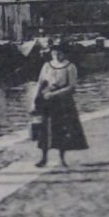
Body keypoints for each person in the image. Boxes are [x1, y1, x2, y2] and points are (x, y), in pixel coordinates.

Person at [34, 40, 88, 168]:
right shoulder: (47, 66)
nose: (57, 56)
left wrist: (54, 94)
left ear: (64, 54)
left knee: (62, 130)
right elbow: (40, 83)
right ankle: (44, 158)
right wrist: (36, 99)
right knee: (45, 130)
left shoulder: (70, 67)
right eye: (54, 53)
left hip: (63, 102)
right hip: (47, 101)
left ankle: (62, 159)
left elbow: (72, 87)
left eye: (60, 53)